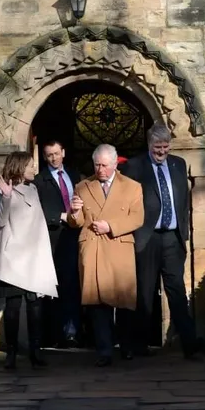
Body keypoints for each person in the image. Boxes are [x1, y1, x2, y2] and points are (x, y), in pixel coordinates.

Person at [123, 122, 202, 359]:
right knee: (145, 293)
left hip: (172, 238)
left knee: (176, 290)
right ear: (149, 145)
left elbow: (183, 202)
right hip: (147, 239)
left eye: (166, 147)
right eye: (158, 148)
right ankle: (139, 345)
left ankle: (189, 344)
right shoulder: (134, 167)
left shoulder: (178, 164)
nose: (162, 152)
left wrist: (183, 236)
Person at [67, 144, 144, 367]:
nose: (100, 169)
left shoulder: (132, 187)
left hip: (118, 245)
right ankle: (104, 350)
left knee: (124, 301)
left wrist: (110, 225)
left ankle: (127, 347)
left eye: (104, 165)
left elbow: (137, 218)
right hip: (94, 249)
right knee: (98, 303)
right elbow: (77, 222)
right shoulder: (82, 186)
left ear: (114, 164)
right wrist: (74, 211)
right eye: (97, 165)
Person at [0, 151, 58, 370]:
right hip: (13, 257)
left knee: (35, 305)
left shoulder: (33, 189)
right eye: (30, 165)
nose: (34, 169)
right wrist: (8, 196)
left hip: (33, 257)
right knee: (12, 306)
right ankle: (11, 353)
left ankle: (35, 351)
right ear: (19, 166)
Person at [33, 140, 82, 348]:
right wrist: (59, 216)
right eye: (49, 155)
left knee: (74, 286)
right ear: (45, 157)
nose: (53, 158)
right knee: (55, 288)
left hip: (75, 237)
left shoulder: (75, 176)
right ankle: (54, 334)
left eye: (56, 153)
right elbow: (35, 211)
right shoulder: (38, 181)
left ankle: (73, 331)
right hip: (52, 240)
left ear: (63, 152)